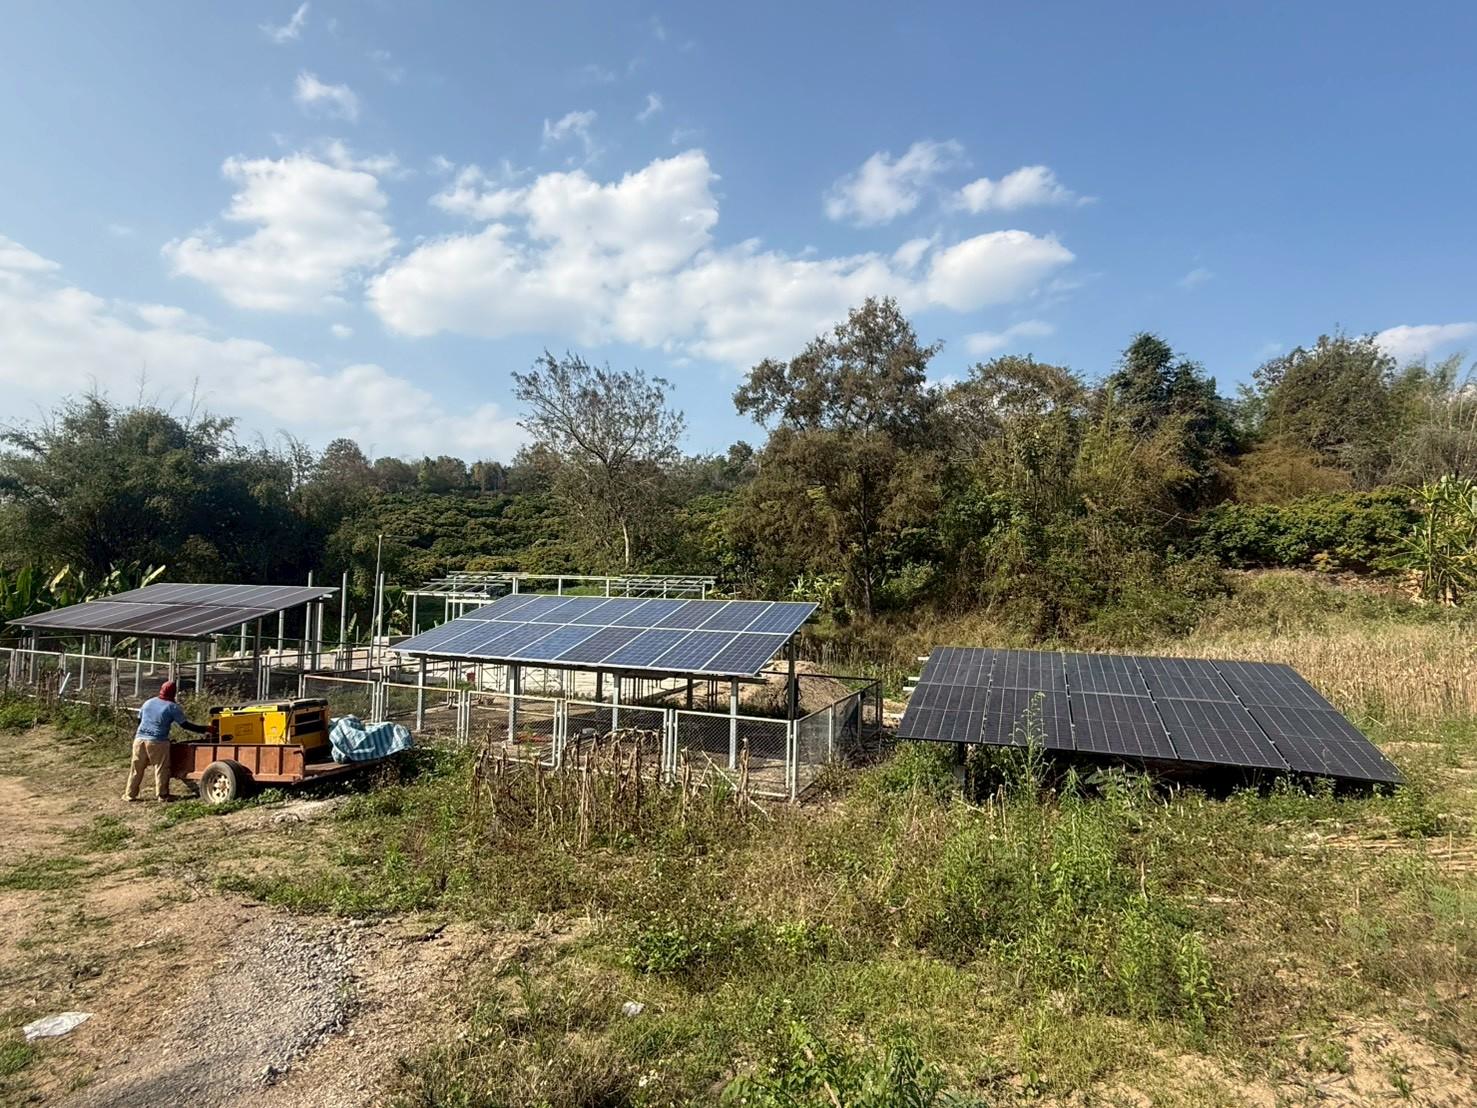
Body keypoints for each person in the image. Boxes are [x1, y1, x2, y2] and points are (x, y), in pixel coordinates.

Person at [124, 680, 208, 802]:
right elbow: (185, 725)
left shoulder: (148, 702)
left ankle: (130, 795)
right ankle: (162, 795)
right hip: (157, 741)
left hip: (139, 739)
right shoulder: (172, 707)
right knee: (161, 768)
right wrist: (205, 729)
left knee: (136, 768)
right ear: (174, 693)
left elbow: (139, 721)